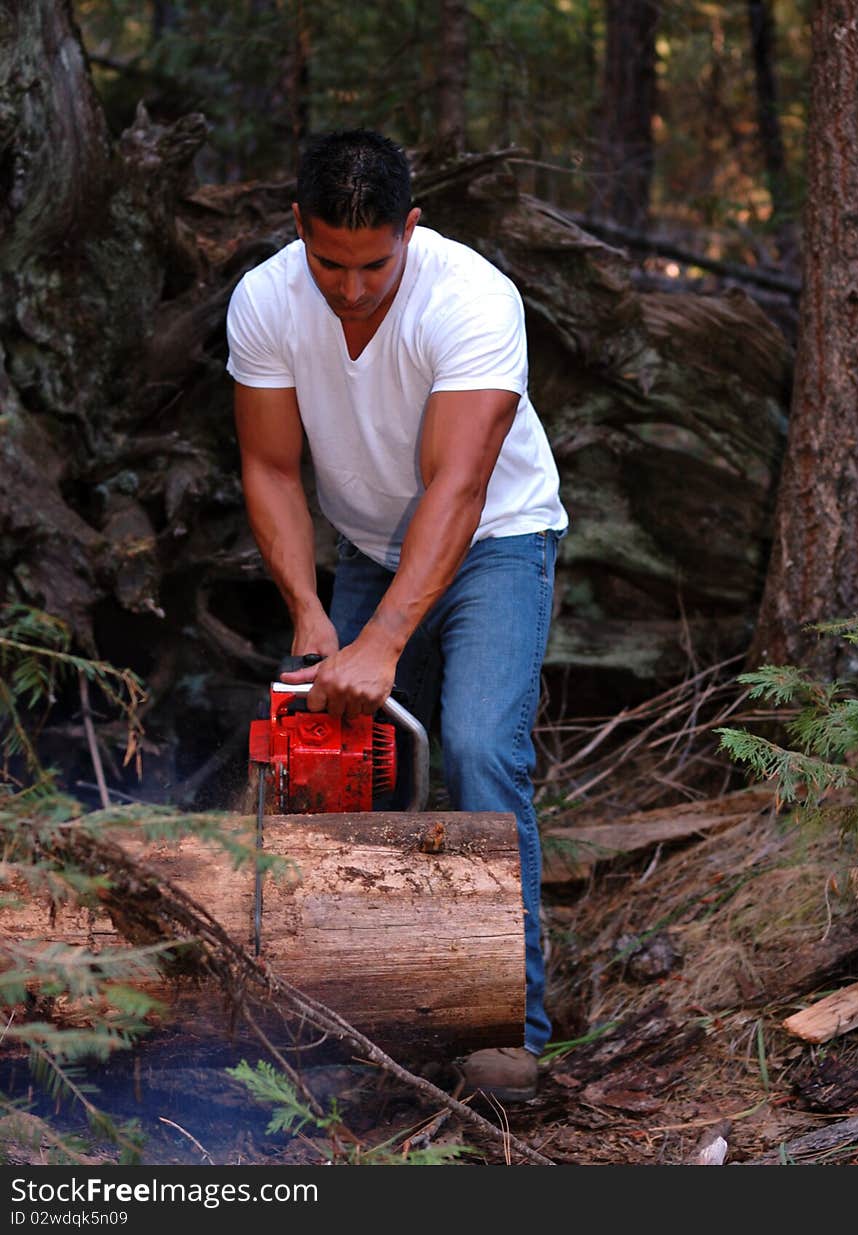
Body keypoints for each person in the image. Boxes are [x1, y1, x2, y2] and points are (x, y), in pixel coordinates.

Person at [226, 129, 568, 1102]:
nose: (351, 286)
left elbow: (458, 487)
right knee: (337, 770)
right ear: (299, 229)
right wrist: (308, 614)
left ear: (411, 229)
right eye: (329, 261)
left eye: (374, 263)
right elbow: (270, 465)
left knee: (471, 747)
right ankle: (364, 1016)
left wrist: (381, 640)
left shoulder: (472, 299)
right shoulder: (265, 299)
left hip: (495, 536)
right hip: (370, 548)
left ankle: (511, 1029)